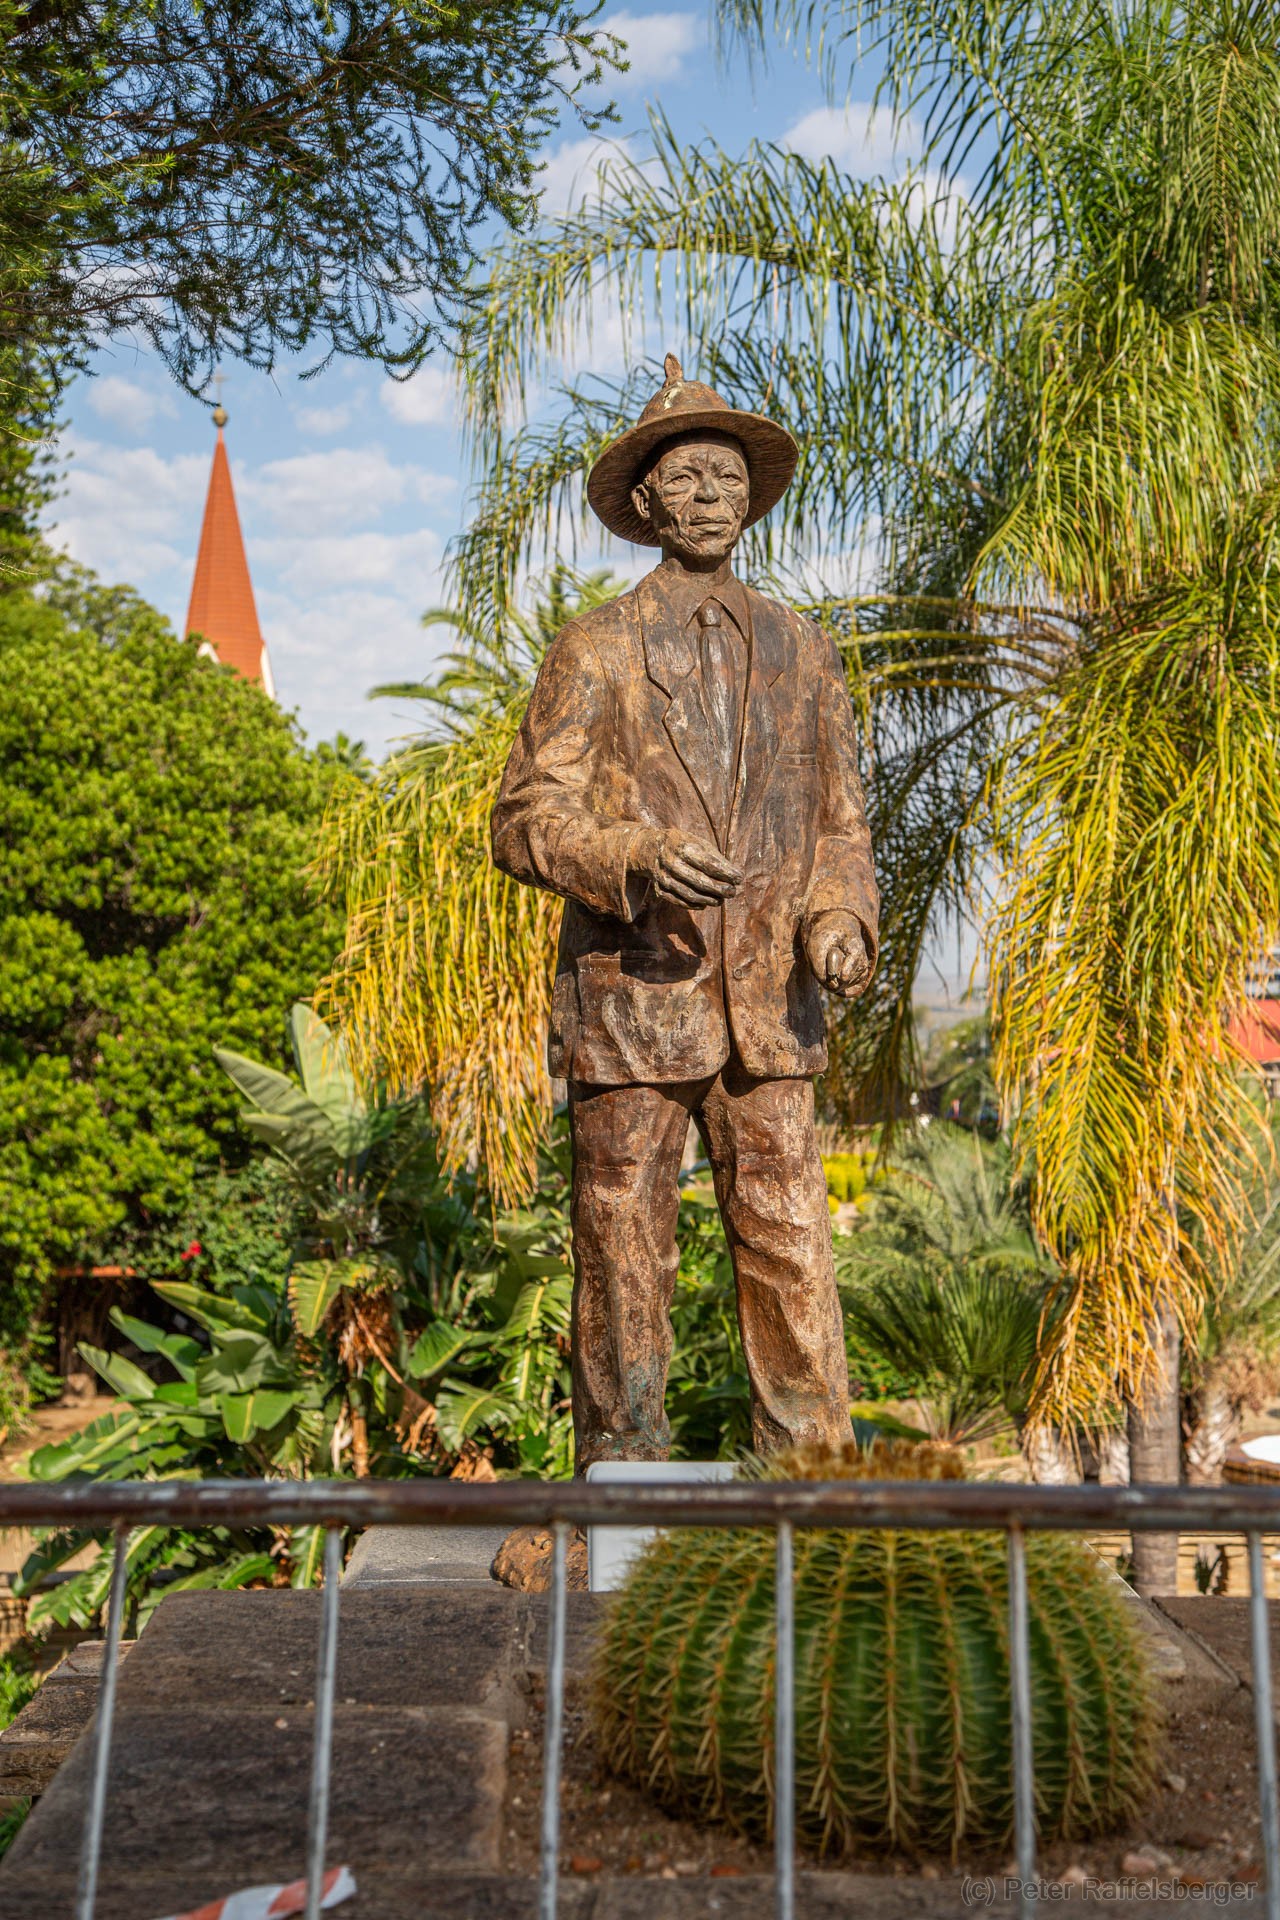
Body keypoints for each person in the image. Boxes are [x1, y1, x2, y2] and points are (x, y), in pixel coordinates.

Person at [492, 355, 880, 1468]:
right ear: (647, 504)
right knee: (622, 1249)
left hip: (773, 1006)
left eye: (726, 478)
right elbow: (522, 819)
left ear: (751, 499)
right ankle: (622, 1476)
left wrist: (839, 923)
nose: (709, 496)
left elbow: (840, 826)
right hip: (635, 999)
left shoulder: (804, 650)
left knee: (791, 1242)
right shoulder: (596, 648)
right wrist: (635, 855)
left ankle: (809, 1475)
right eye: (686, 480)